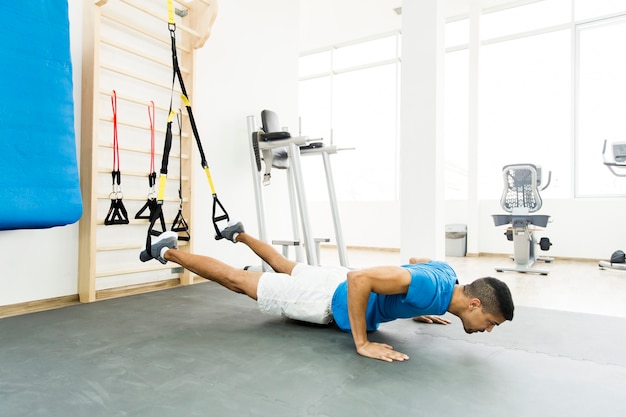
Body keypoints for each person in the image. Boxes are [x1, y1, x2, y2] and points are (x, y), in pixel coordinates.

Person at [141, 221, 514, 363]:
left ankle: (237, 232)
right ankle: (166, 250)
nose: (488, 329)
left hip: (331, 279)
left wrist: (414, 307)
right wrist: (361, 343)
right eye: (490, 321)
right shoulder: (431, 286)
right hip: (324, 299)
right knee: (240, 283)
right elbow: (360, 281)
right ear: (475, 303)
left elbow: (417, 260)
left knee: (285, 265)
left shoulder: (445, 277)